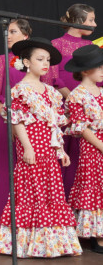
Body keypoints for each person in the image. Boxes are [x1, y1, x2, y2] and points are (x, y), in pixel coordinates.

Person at [0, 37, 82, 258]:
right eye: (40, 59)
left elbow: (55, 125)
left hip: (48, 149)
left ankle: (50, 244)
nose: (45, 64)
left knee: (51, 192)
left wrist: (60, 150)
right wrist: (27, 147)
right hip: (31, 146)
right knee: (29, 192)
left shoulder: (50, 92)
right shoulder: (19, 90)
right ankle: (26, 244)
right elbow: (16, 121)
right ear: (26, 62)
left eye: (48, 60)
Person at [43, 4, 97, 197]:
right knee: (62, 154)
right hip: (62, 107)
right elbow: (52, 78)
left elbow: (96, 80)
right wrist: (72, 99)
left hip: (88, 109)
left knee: (83, 155)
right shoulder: (56, 44)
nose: (95, 24)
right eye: (91, 20)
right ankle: (60, 202)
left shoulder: (91, 46)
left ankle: (80, 202)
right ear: (77, 21)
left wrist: (86, 102)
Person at [0, 19, 31, 241]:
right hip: (10, 122)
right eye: (6, 32)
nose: (8, 35)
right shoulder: (2, 60)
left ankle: (33, 230)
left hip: (37, 124)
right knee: (8, 172)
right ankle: (5, 231)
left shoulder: (40, 59)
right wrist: (8, 116)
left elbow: (50, 88)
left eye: (13, 31)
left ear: (26, 35)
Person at [64, 45, 103, 254]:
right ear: (87, 70)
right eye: (100, 67)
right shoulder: (77, 95)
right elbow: (82, 127)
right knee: (95, 185)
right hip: (93, 146)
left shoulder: (102, 91)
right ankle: (97, 235)